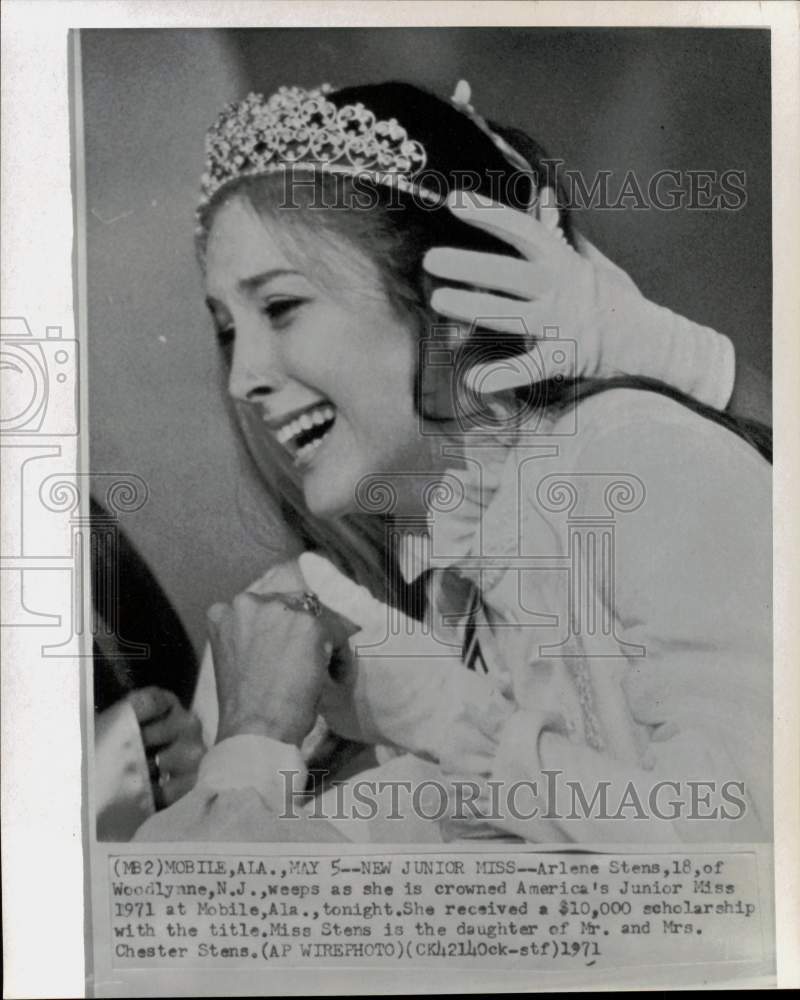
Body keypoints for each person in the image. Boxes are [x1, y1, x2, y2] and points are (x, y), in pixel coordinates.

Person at [135, 81, 771, 843]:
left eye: (280, 307)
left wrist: (447, 720)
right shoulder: (459, 572)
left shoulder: (629, 456)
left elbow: (756, 859)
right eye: (228, 330)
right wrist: (247, 765)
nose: (243, 380)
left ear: (444, 295)